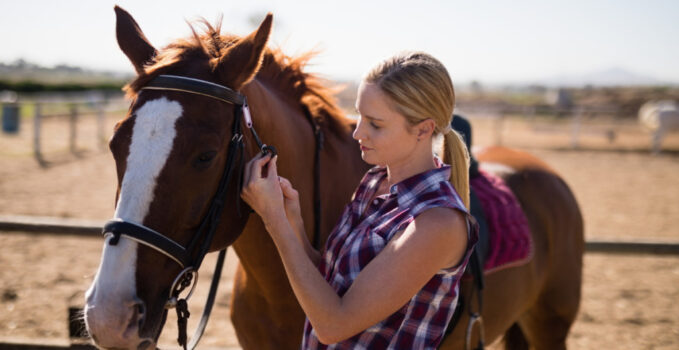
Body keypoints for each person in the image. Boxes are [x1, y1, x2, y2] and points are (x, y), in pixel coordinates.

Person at [241, 51, 478, 349]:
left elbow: (332, 324)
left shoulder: (437, 222)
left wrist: (274, 220)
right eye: (359, 116)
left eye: (375, 124)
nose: (357, 133)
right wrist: (294, 223)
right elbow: (332, 286)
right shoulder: (375, 183)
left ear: (423, 129)